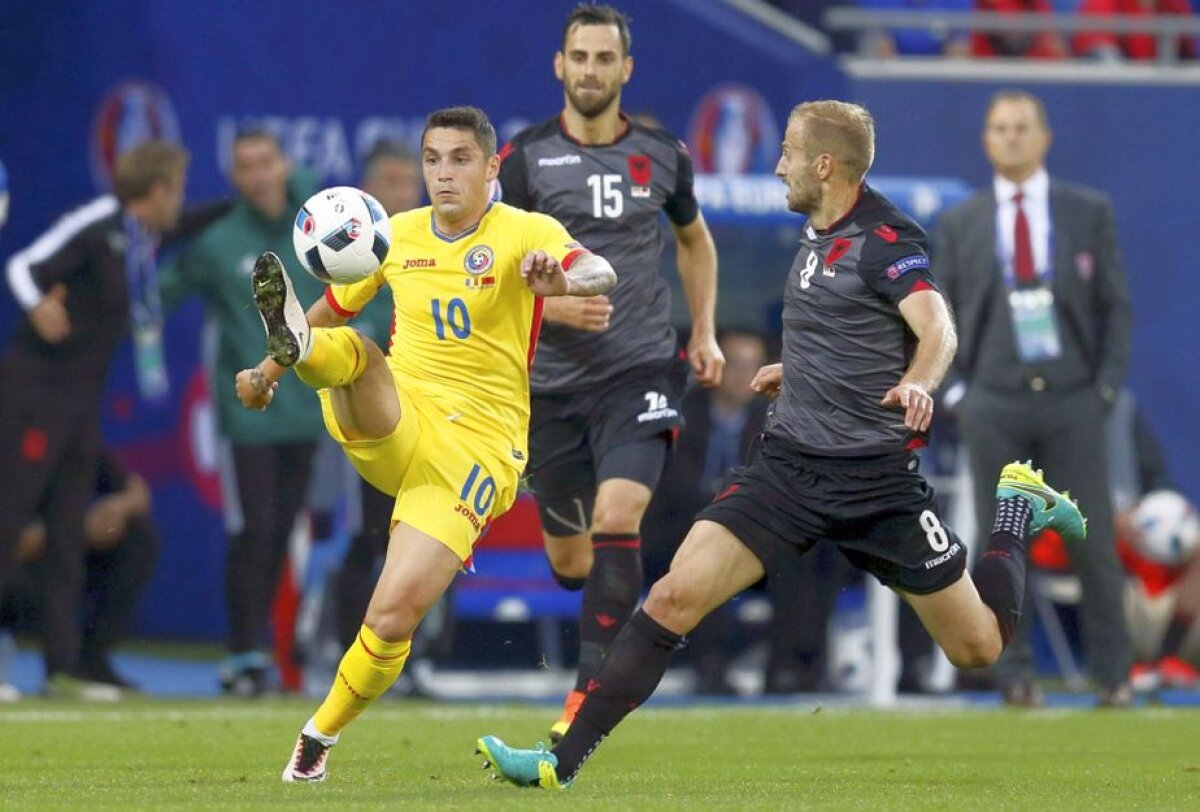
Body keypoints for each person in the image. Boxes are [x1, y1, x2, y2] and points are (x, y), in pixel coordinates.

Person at [476, 100, 1087, 790]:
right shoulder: (815, 233)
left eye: (789, 154)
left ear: (824, 165)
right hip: (787, 470)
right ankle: (559, 762)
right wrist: (798, 371)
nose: (777, 165)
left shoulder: (886, 237)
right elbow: (854, 329)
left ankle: (1015, 506)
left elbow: (935, 326)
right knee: (673, 596)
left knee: (977, 647)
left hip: (876, 484)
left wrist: (919, 381)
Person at [231, 106, 616, 783]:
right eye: (433, 158)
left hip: (478, 454)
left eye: (460, 158)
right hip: (399, 418)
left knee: (392, 614)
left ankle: (316, 741)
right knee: (359, 350)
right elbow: (331, 306)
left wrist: (561, 280)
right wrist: (267, 372)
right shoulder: (393, 235)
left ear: (492, 167)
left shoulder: (526, 232)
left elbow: (599, 272)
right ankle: (298, 350)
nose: (443, 173)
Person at [497, 3, 723, 742]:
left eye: (605, 58)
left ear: (626, 69)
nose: (591, 70)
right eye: (580, 58)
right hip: (550, 384)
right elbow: (488, 265)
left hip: (639, 369)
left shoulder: (663, 154)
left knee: (618, 519)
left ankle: (584, 703)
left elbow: (694, 242)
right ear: (559, 67)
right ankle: (585, 610)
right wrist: (552, 310)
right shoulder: (525, 160)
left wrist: (707, 331)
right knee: (570, 563)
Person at [934, 89, 1134, 707]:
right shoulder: (961, 221)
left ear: (1044, 138)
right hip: (994, 397)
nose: (1011, 138)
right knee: (1004, 540)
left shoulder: (1086, 211)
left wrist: (1102, 389)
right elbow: (941, 312)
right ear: (986, 140)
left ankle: (1114, 676)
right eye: (999, 128)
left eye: (1022, 128)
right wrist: (962, 391)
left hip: (1071, 395)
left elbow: (1114, 308)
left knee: (1091, 540)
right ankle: (1012, 674)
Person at [0, 139, 220, 698]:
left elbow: (190, 223)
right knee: (7, 524)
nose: (182, 199)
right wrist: (36, 304)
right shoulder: (99, 222)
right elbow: (25, 263)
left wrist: (243, 204)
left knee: (67, 537)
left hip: (77, 410)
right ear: (159, 189)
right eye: (179, 187)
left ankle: (62, 670)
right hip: (32, 398)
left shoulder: (143, 240)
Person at [158, 129, 327, 696]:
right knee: (250, 529)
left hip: (306, 410)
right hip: (249, 415)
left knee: (281, 530)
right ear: (232, 178)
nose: (257, 175)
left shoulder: (313, 224)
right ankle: (241, 652)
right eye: (244, 166)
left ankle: (262, 651)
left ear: (284, 164)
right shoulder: (216, 243)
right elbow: (156, 294)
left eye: (266, 162)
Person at [4, 448, 158, 696]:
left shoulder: (70, 432)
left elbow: (137, 492)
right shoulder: (14, 434)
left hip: (58, 570)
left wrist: (114, 509)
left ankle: (90, 662)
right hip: (19, 577)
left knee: (136, 538)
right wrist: (79, 530)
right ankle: (61, 666)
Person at [1074, 0, 1199, 62]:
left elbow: (1188, 56)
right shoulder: (1102, 4)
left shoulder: (1174, 5)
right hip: (1120, 96)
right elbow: (1096, 47)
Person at [971, 0, 1068, 59]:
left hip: (1035, 67)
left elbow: (1051, 36)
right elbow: (1012, 35)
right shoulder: (994, 3)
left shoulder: (1038, 3)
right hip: (991, 64)